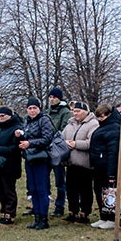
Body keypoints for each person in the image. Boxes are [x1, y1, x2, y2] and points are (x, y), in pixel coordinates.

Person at [19, 98, 55, 230]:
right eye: (30, 108)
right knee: (32, 189)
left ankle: (44, 218)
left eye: (34, 108)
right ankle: (37, 217)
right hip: (29, 158)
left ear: (39, 108)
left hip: (41, 158)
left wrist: (30, 143)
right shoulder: (26, 121)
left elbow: (47, 138)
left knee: (41, 190)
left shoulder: (44, 120)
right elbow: (26, 136)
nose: (32, 111)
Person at [62, 101, 99, 224]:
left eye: (78, 111)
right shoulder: (70, 124)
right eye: (74, 111)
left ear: (86, 111)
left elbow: (92, 142)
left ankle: (85, 212)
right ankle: (72, 211)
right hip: (71, 162)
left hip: (85, 163)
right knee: (71, 188)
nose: (75, 113)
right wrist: (65, 143)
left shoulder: (93, 124)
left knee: (85, 189)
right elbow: (62, 138)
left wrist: (76, 144)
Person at [0, 106, 22, 224]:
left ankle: (10, 213)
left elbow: (16, 147)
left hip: (10, 164)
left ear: (10, 116)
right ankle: (3, 211)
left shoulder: (16, 129)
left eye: (3, 116)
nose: (0, 118)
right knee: (0, 189)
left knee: (9, 190)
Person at [88, 104, 121, 229]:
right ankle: (103, 216)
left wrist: (112, 172)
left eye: (103, 116)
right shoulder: (101, 128)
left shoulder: (114, 129)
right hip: (98, 166)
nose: (101, 119)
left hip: (107, 167)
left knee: (109, 193)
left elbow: (113, 152)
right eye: (99, 116)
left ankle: (111, 218)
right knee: (98, 191)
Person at [47, 88, 72, 217]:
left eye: (54, 97)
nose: (52, 99)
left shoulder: (65, 112)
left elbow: (62, 130)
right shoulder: (47, 112)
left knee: (59, 181)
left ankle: (60, 206)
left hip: (57, 149)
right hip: (46, 149)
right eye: (50, 97)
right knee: (44, 180)